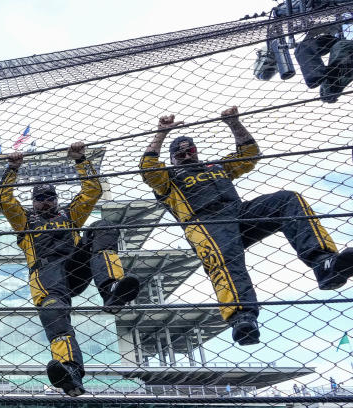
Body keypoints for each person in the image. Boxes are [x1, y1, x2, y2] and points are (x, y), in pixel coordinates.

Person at [141, 107, 353, 345]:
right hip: (204, 224)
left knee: (287, 199)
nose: (187, 156)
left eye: (190, 151)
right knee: (226, 260)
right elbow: (147, 169)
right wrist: (161, 133)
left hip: (240, 214)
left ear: (196, 151)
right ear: (171, 159)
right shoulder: (167, 179)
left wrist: (234, 123)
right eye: (180, 155)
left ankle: (324, 263)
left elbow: (249, 154)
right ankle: (242, 317)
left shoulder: (217, 167)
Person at [0, 145, 139, 396]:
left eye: (50, 196)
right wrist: (12, 169)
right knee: (55, 317)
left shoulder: (70, 214)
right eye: (40, 198)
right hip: (46, 276)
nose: (45, 201)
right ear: (33, 202)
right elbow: (3, 200)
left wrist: (81, 160)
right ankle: (70, 371)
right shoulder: (24, 220)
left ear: (56, 199)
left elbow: (92, 190)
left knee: (102, 226)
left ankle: (112, 289)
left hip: (74, 267)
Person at [293, 30, 353, 103]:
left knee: (303, 47)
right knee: (304, 47)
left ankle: (319, 79)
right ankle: (319, 79)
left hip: (341, 49)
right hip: (341, 47)